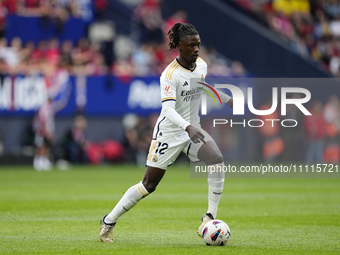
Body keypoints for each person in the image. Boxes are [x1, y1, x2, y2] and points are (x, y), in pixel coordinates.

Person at [99, 23, 233, 243]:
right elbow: (168, 110)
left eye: (198, 44)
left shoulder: (201, 65)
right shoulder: (169, 75)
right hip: (170, 133)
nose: (197, 49)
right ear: (180, 46)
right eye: (192, 45)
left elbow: (200, 85)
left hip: (192, 130)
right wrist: (187, 127)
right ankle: (109, 220)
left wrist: (225, 98)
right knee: (148, 185)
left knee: (217, 159)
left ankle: (209, 216)